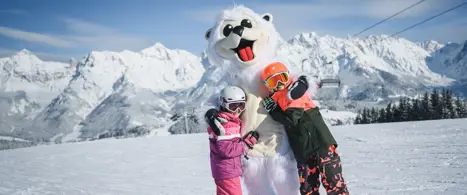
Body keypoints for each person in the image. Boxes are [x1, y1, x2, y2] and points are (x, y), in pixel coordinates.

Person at [260, 62, 350, 195]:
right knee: (308, 189)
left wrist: (274, 110)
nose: (279, 84)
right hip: (303, 151)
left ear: (288, 76)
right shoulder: (275, 98)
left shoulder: (296, 91)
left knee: (334, 183)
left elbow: (291, 119)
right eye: (274, 82)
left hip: (321, 144)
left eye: (282, 78)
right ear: (268, 85)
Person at [205, 86, 260, 195]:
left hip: (226, 170)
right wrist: (247, 143)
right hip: (227, 171)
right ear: (224, 104)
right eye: (233, 106)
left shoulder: (228, 121)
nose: (238, 110)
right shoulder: (223, 125)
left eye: (241, 105)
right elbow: (226, 150)